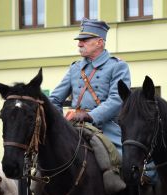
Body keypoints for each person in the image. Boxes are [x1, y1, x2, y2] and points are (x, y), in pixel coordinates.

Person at [49, 18, 131, 155]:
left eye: (85, 40)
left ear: (99, 42)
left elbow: (117, 99)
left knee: (123, 162)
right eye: (79, 41)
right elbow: (54, 99)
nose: (79, 44)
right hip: (74, 126)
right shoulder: (75, 68)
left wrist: (90, 116)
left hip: (106, 127)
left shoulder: (118, 66)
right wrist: (60, 123)